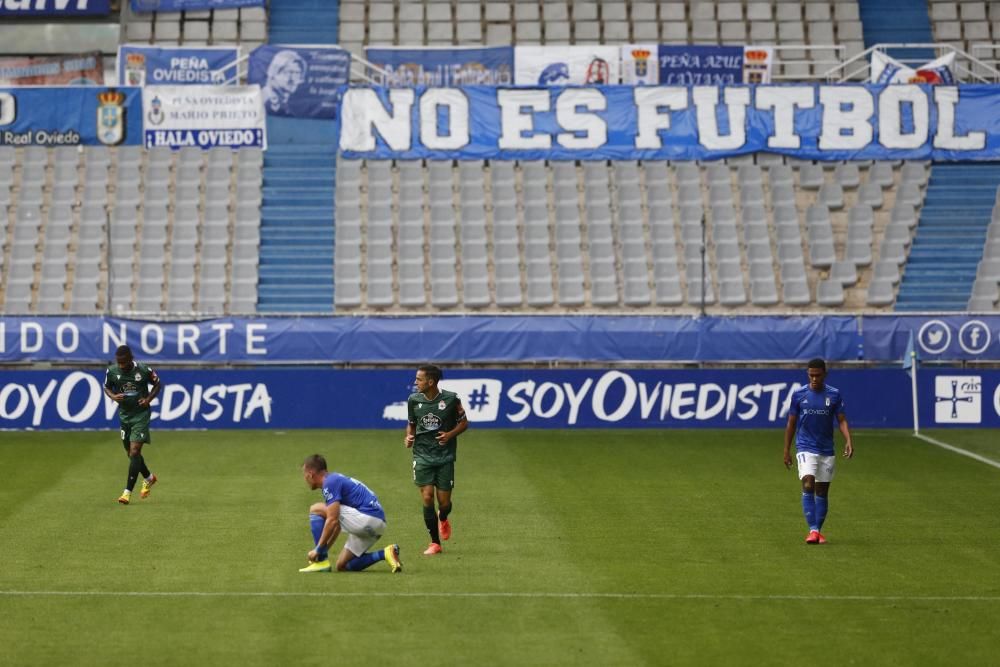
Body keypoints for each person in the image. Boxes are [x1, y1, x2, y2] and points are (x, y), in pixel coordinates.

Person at [783, 358, 854, 544]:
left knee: (822, 492)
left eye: (817, 375)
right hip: (805, 447)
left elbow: (842, 420)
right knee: (808, 483)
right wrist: (786, 450)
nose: (814, 378)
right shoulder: (799, 395)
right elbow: (791, 423)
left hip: (826, 449)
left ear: (825, 374)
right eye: (811, 375)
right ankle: (813, 530)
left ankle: (817, 532)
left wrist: (848, 440)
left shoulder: (834, 395)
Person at [299, 454, 402, 574]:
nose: (305, 478)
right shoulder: (334, 480)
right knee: (343, 565)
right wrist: (323, 549)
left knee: (315, 509)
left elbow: (332, 519)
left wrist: (318, 550)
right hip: (377, 524)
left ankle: (320, 562)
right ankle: (386, 553)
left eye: (304, 475)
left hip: (367, 517)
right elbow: (336, 525)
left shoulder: (330, 483)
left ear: (310, 474)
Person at [405, 365, 468, 555]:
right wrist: (408, 437)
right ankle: (434, 543)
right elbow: (411, 425)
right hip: (422, 455)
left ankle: (443, 517)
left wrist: (449, 435)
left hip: (445, 457)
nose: (415, 383)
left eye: (419, 379)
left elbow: (464, 423)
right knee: (426, 497)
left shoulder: (451, 399)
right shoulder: (413, 400)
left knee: (444, 503)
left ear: (430, 382)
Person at [103, 345, 161, 505]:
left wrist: (148, 399)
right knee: (131, 454)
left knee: (135, 451)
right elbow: (106, 387)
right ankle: (149, 478)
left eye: (124, 362)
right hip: (124, 416)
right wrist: (113, 396)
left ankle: (127, 492)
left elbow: (158, 384)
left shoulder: (143, 370)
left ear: (130, 359)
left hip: (140, 415)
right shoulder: (112, 371)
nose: (121, 366)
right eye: (119, 363)